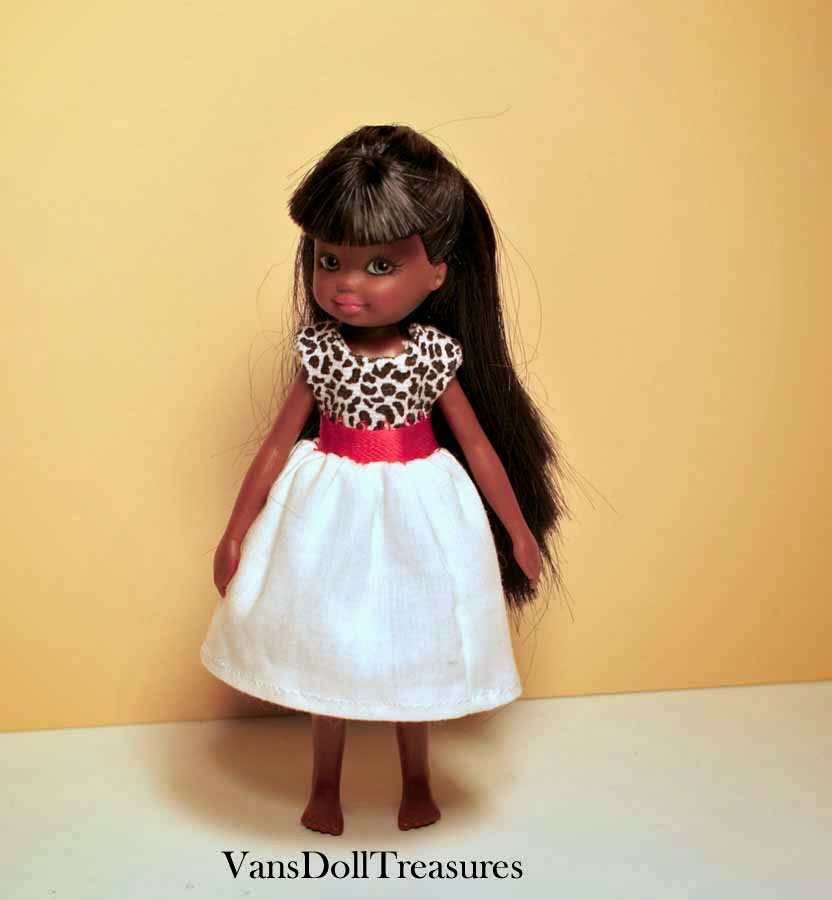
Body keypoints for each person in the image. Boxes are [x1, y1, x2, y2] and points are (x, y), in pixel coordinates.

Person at [201, 124, 567, 834]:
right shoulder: (320, 353)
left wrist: (518, 530)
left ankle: (417, 782)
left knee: (414, 643)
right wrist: (235, 532)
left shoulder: (433, 355)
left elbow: (478, 447)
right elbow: (277, 446)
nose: (346, 284)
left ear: (437, 273)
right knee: (325, 646)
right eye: (329, 259)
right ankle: (324, 786)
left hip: (417, 505)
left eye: (379, 265)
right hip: (325, 510)